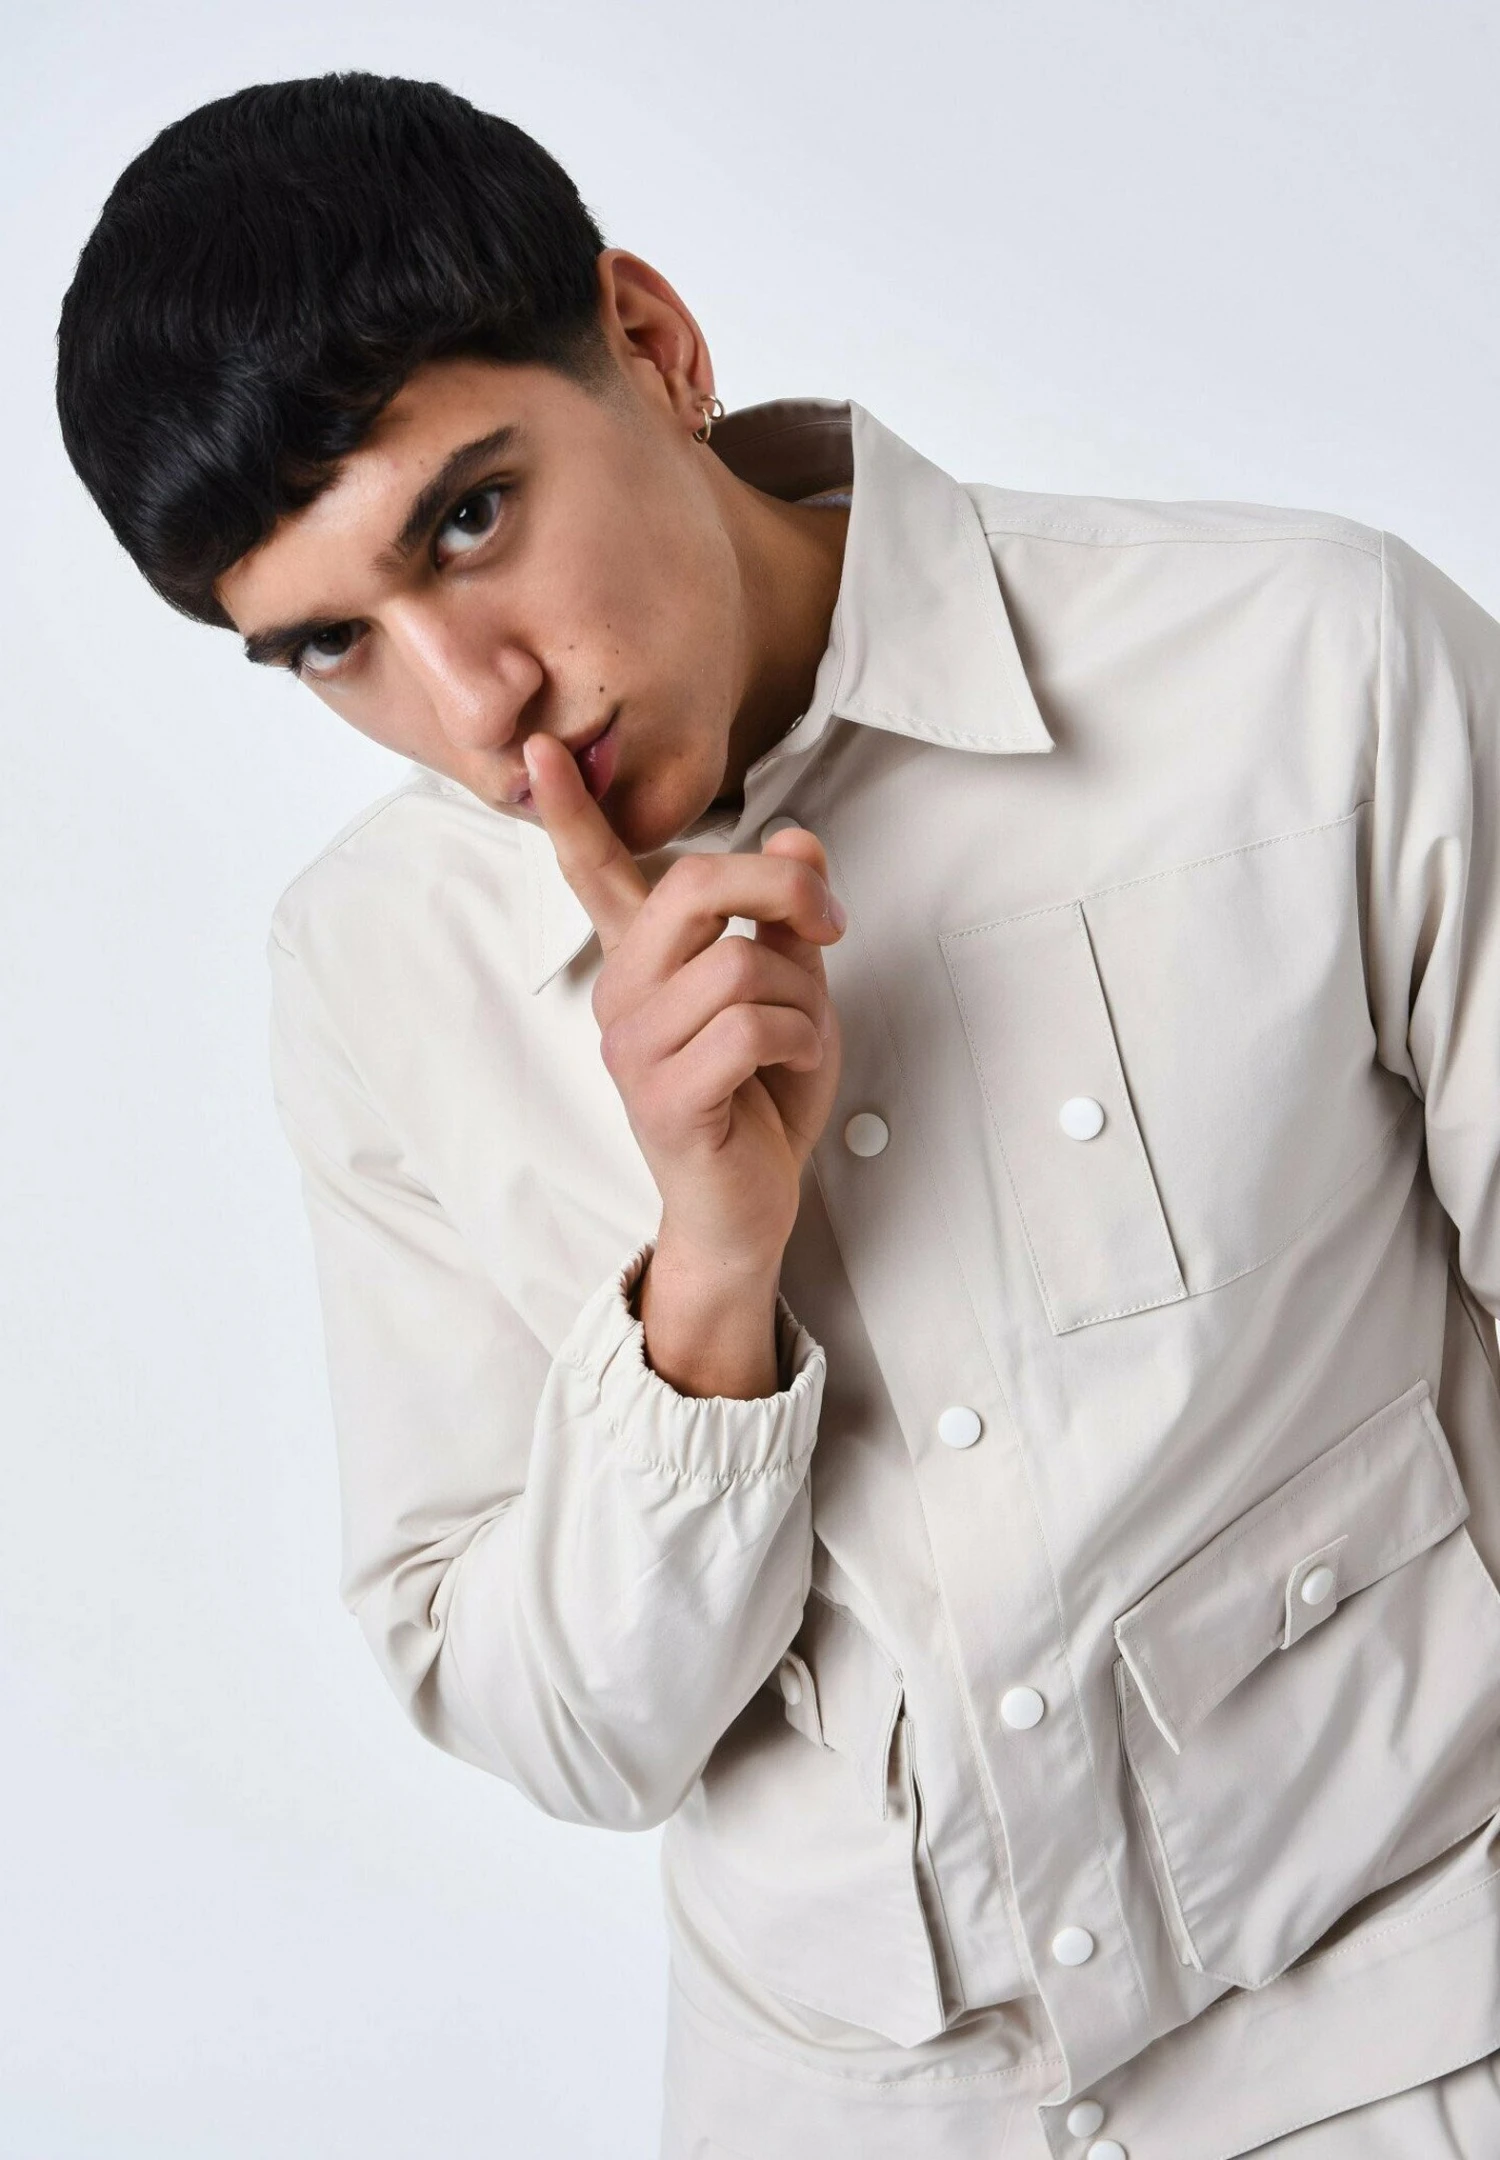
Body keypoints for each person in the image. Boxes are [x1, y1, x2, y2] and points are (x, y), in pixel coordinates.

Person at [54, 68, 1500, 2160]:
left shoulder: (1303, 670)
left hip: (1417, 2055)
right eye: (335, 644)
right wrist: (705, 1283)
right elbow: (579, 1738)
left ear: (652, 344)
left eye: (470, 518)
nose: (474, 703)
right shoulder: (374, 977)